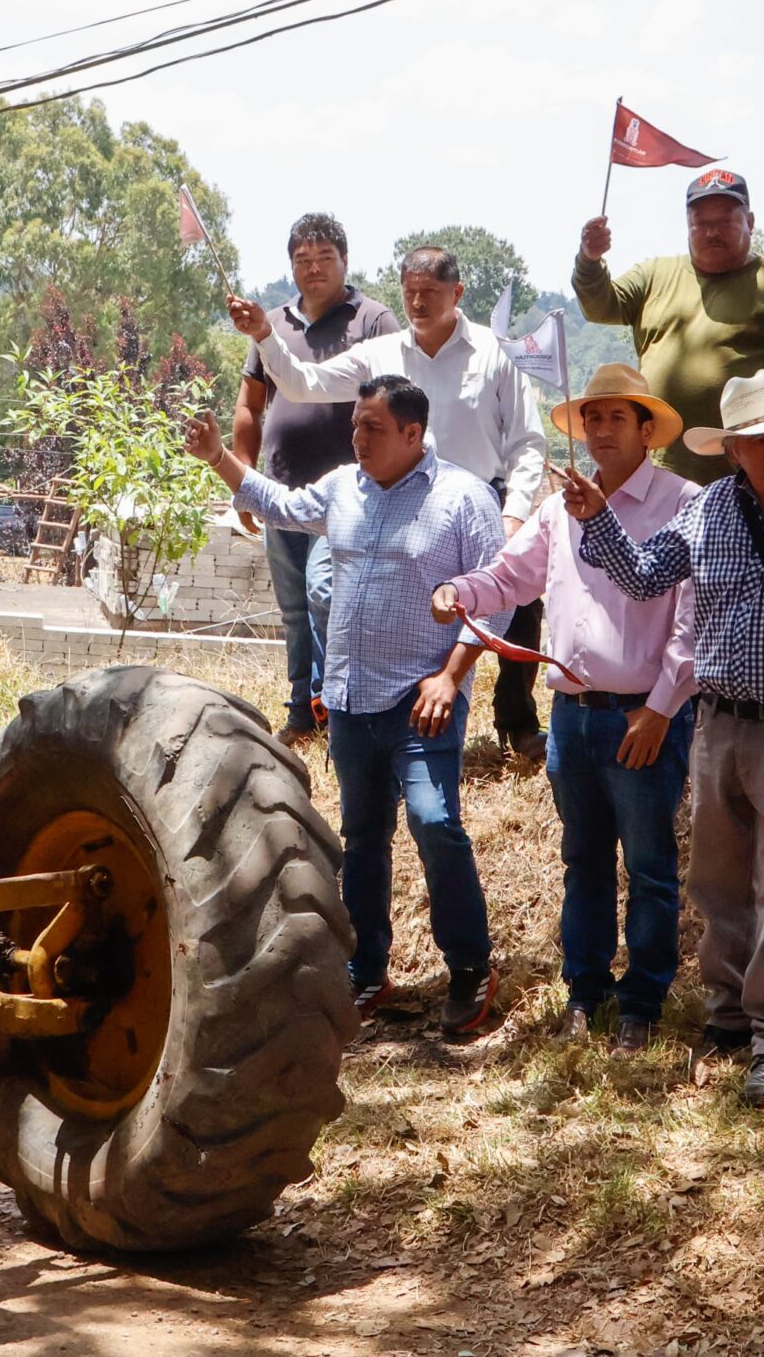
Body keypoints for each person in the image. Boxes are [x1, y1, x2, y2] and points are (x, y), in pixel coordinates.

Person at [564, 369, 764, 1109]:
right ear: (732, 452)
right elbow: (647, 577)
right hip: (718, 722)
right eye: (758, 439)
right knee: (715, 882)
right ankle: (728, 1015)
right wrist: (596, 520)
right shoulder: (712, 509)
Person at [183, 375, 509, 1042]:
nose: (358, 438)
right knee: (362, 841)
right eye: (356, 425)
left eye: (373, 428)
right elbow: (276, 502)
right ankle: (367, 971)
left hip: (423, 702)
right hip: (352, 699)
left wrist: (450, 677)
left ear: (413, 434)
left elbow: (495, 597)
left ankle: (471, 968)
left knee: (436, 821)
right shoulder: (342, 488)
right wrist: (220, 456)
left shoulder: (463, 499)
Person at [435, 364, 699, 1055]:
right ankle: (586, 991)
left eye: (617, 417)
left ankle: (642, 1001)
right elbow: (510, 576)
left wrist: (663, 708)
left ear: (648, 430)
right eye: (593, 418)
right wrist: (460, 588)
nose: (602, 430)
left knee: (647, 864)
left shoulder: (683, 502)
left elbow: (692, 625)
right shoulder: (558, 509)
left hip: (642, 716)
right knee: (583, 859)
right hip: (574, 717)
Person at [228, 246, 551, 760]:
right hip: (395, 505)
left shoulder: (495, 353)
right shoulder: (382, 355)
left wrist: (514, 513)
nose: (418, 302)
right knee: (347, 594)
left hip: (481, 505)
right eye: (410, 292)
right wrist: (265, 337)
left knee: (520, 603)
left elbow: (528, 443)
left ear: (458, 293)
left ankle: (517, 724)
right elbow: (303, 384)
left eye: (430, 292)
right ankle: (364, 712)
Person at [232, 213, 400, 740]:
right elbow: (249, 404)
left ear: (345, 261)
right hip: (281, 489)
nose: (314, 269)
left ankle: (336, 708)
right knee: (293, 609)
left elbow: (399, 399)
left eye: (324, 258)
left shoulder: (372, 321)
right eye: (302, 260)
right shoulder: (272, 324)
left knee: (326, 593)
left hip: (348, 495)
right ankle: (301, 713)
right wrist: (240, 478)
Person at [572, 166, 764, 488]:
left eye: (724, 221)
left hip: (749, 477)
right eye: (701, 223)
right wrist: (590, 258)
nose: (712, 232)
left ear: (750, 222)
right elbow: (600, 307)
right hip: (658, 476)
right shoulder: (654, 275)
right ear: (687, 227)